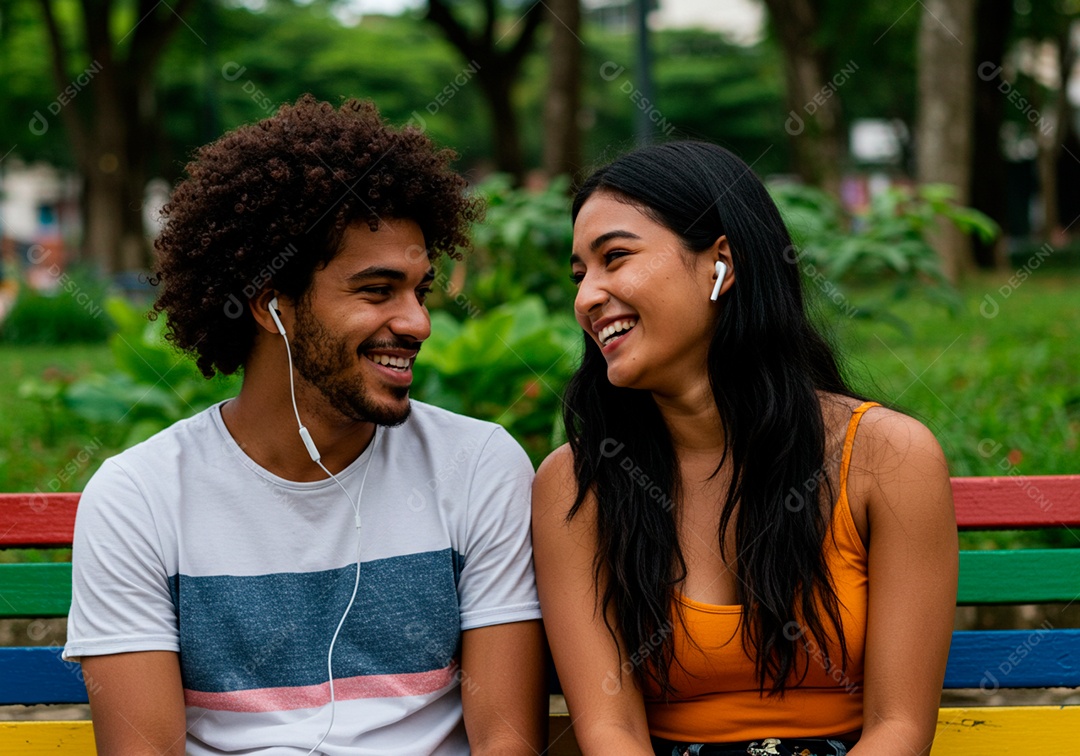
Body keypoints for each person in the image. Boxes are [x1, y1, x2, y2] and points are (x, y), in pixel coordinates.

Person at [63, 96, 545, 756]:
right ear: (272, 307)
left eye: (421, 290)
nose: (418, 323)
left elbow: (506, 745)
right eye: (377, 291)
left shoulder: (477, 466)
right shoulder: (140, 498)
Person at [532, 141, 958, 756]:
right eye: (579, 276)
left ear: (721, 264)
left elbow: (900, 727)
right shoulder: (580, 484)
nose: (586, 298)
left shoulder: (886, 457)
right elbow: (610, 731)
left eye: (615, 258)